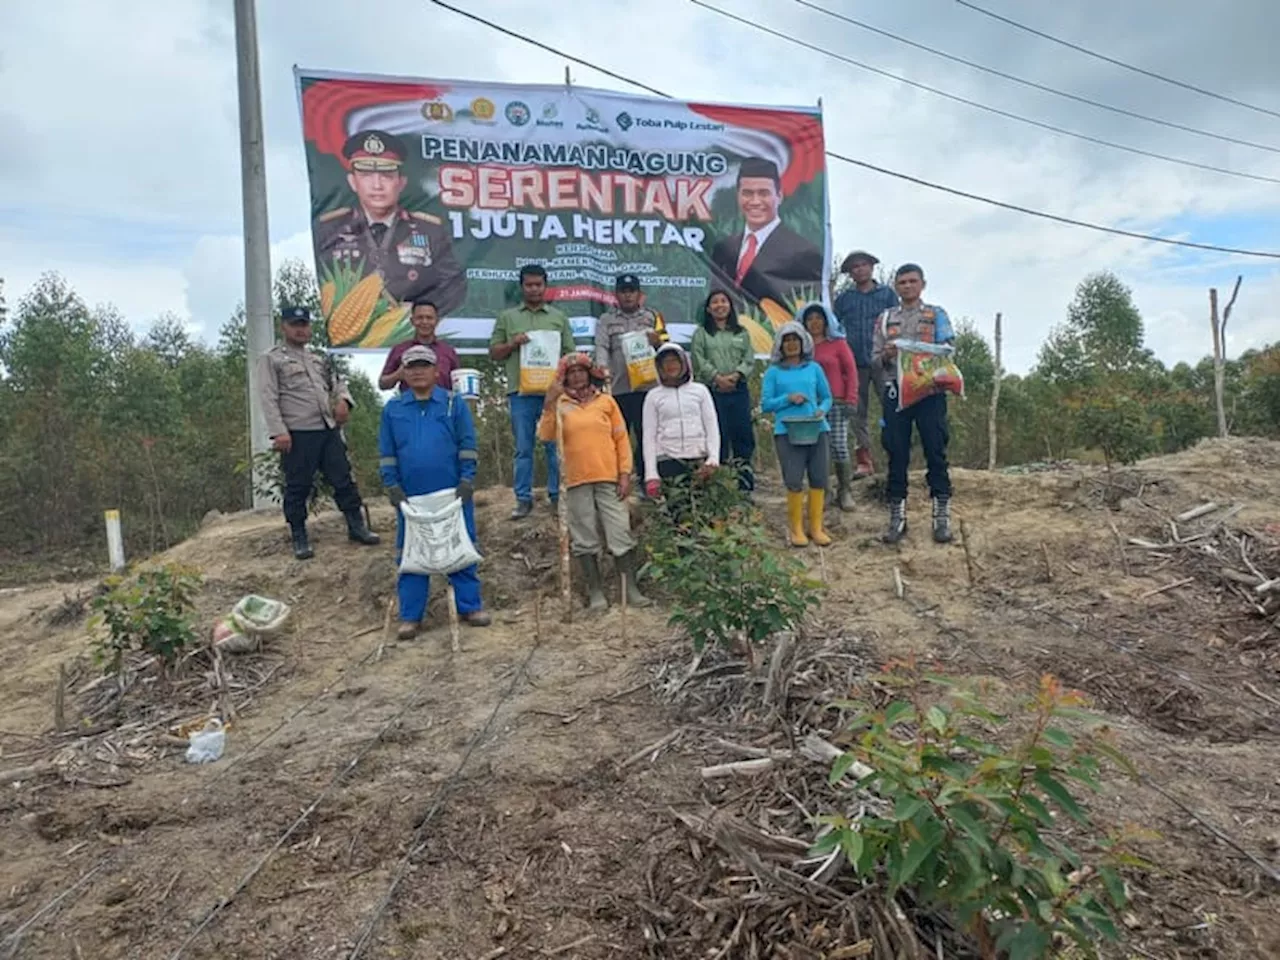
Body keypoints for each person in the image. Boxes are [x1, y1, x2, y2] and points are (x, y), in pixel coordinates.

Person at [378, 345, 491, 639]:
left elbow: (467, 444)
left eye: (423, 366)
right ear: (404, 371)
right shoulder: (393, 409)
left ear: (436, 370)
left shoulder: (453, 404)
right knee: (411, 555)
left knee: (461, 549)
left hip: (453, 494)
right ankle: (410, 617)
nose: (417, 371)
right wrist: (391, 485)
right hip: (411, 498)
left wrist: (467, 480)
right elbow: (387, 452)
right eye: (411, 366)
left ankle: (470, 606)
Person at [257, 305, 380, 560]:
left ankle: (356, 526)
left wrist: (344, 401)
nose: (301, 330)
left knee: (343, 479)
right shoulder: (272, 359)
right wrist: (279, 432)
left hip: (327, 429)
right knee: (298, 486)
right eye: (295, 325)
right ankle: (299, 536)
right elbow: (268, 397)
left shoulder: (319, 359)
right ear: (284, 327)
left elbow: (338, 384)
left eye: (304, 324)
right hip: (298, 432)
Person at [538, 354, 651, 612]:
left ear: (590, 374)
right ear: (564, 376)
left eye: (582, 371)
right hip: (575, 479)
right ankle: (596, 592)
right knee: (584, 535)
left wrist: (624, 473)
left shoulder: (606, 401)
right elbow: (546, 436)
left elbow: (622, 440)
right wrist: (549, 403)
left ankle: (630, 589)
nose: (577, 376)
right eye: (572, 372)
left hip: (608, 477)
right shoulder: (560, 404)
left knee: (620, 529)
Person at [315, 130, 466, 317]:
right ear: (353, 182)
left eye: (386, 175)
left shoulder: (429, 231)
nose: (377, 185)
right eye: (366, 175)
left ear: (401, 183)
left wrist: (421, 314)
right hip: (345, 336)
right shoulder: (329, 229)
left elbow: (454, 284)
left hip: (411, 333)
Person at [871, 263, 956, 544]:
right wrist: (886, 354)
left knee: (936, 450)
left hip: (929, 390)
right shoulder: (885, 318)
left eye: (912, 281)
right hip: (896, 391)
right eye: (902, 282)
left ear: (922, 284)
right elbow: (874, 358)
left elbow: (949, 349)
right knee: (896, 452)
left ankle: (941, 514)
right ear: (896, 286)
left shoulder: (936, 315)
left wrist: (917, 350)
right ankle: (897, 515)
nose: (907, 286)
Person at [489, 264, 576, 519]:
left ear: (545, 286)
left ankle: (556, 496)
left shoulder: (559, 317)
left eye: (539, 284)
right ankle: (523, 499)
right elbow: (494, 353)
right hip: (521, 393)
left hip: (553, 392)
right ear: (522, 287)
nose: (534, 289)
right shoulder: (508, 318)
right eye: (529, 285)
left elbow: (570, 353)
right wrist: (512, 343)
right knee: (523, 447)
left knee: (554, 446)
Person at [710, 158, 823, 308]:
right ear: (738, 196)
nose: (755, 201)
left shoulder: (802, 251)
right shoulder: (723, 249)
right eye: (747, 193)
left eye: (763, 193)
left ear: (779, 196)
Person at [761, 322, 833, 548]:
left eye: (795, 340)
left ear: (804, 343)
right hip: (787, 431)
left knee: (819, 477)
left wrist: (823, 409)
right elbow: (765, 404)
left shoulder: (814, 369)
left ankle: (816, 527)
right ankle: (796, 528)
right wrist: (787, 399)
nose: (791, 344)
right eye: (787, 341)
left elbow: (827, 397)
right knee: (793, 480)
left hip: (816, 428)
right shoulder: (773, 372)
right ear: (780, 345)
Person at [593, 273, 668, 485]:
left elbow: (667, 349)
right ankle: (618, 479)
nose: (628, 296)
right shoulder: (606, 320)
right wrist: (602, 369)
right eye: (623, 292)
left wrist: (657, 342)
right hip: (619, 388)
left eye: (631, 291)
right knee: (618, 436)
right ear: (616, 295)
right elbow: (601, 348)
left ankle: (647, 479)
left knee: (648, 436)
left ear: (639, 294)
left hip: (648, 388)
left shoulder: (653, 317)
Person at [834, 251, 900, 478]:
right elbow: (835, 327)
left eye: (863, 265)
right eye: (855, 267)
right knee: (856, 412)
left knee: (892, 407)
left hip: (884, 361)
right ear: (850, 273)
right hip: (854, 363)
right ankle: (864, 460)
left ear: (872, 267)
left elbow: (897, 323)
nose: (859, 269)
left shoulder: (887, 295)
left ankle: (896, 454)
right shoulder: (844, 299)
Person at [690, 290, 756, 493]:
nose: (720, 305)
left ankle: (745, 489)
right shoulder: (701, 333)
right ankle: (717, 490)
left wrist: (736, 375)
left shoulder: (741, 332)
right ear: (709, 309)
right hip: (713, 392)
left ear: (730, 306)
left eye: (724, 301)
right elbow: (698, 359)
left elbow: (749, 359)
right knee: (717, 439)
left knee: (743, 439)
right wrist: (717, 378)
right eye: (715, 302)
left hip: (738, 391)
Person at [799, 302, 858, 512]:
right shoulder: (800, 347)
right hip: (808, 405)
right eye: (810, 319)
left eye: (818, 318)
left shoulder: (838, 344)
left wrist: (851, 398)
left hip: (836, 401)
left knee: (839, 445)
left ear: (826, 321)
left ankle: (845, 490)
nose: (814, 322)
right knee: (814, 449)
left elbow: (851, 372)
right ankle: (823, 490)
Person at [642, 343, 721, 499]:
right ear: (659, 367)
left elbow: (712, 428)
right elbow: (649, 437)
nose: (671, 366)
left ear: (684, 363)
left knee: (702, 514)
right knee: (675, 514)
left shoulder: (700, 391)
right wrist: (651, 475)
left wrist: (713, 459)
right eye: (666, 362)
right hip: (667, 460)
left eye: (675, 360)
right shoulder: (653, 396)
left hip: (698, 461)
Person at [378, 298, 459, 392]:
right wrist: (398, 375)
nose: (424, 322)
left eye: (429, 318)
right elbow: (382, 384)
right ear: (412, 321)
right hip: (410, 405)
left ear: (437, 321)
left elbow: (458, 382)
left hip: (443, 405)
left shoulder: (449, 351)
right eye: (420, 318)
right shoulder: (399, 349)